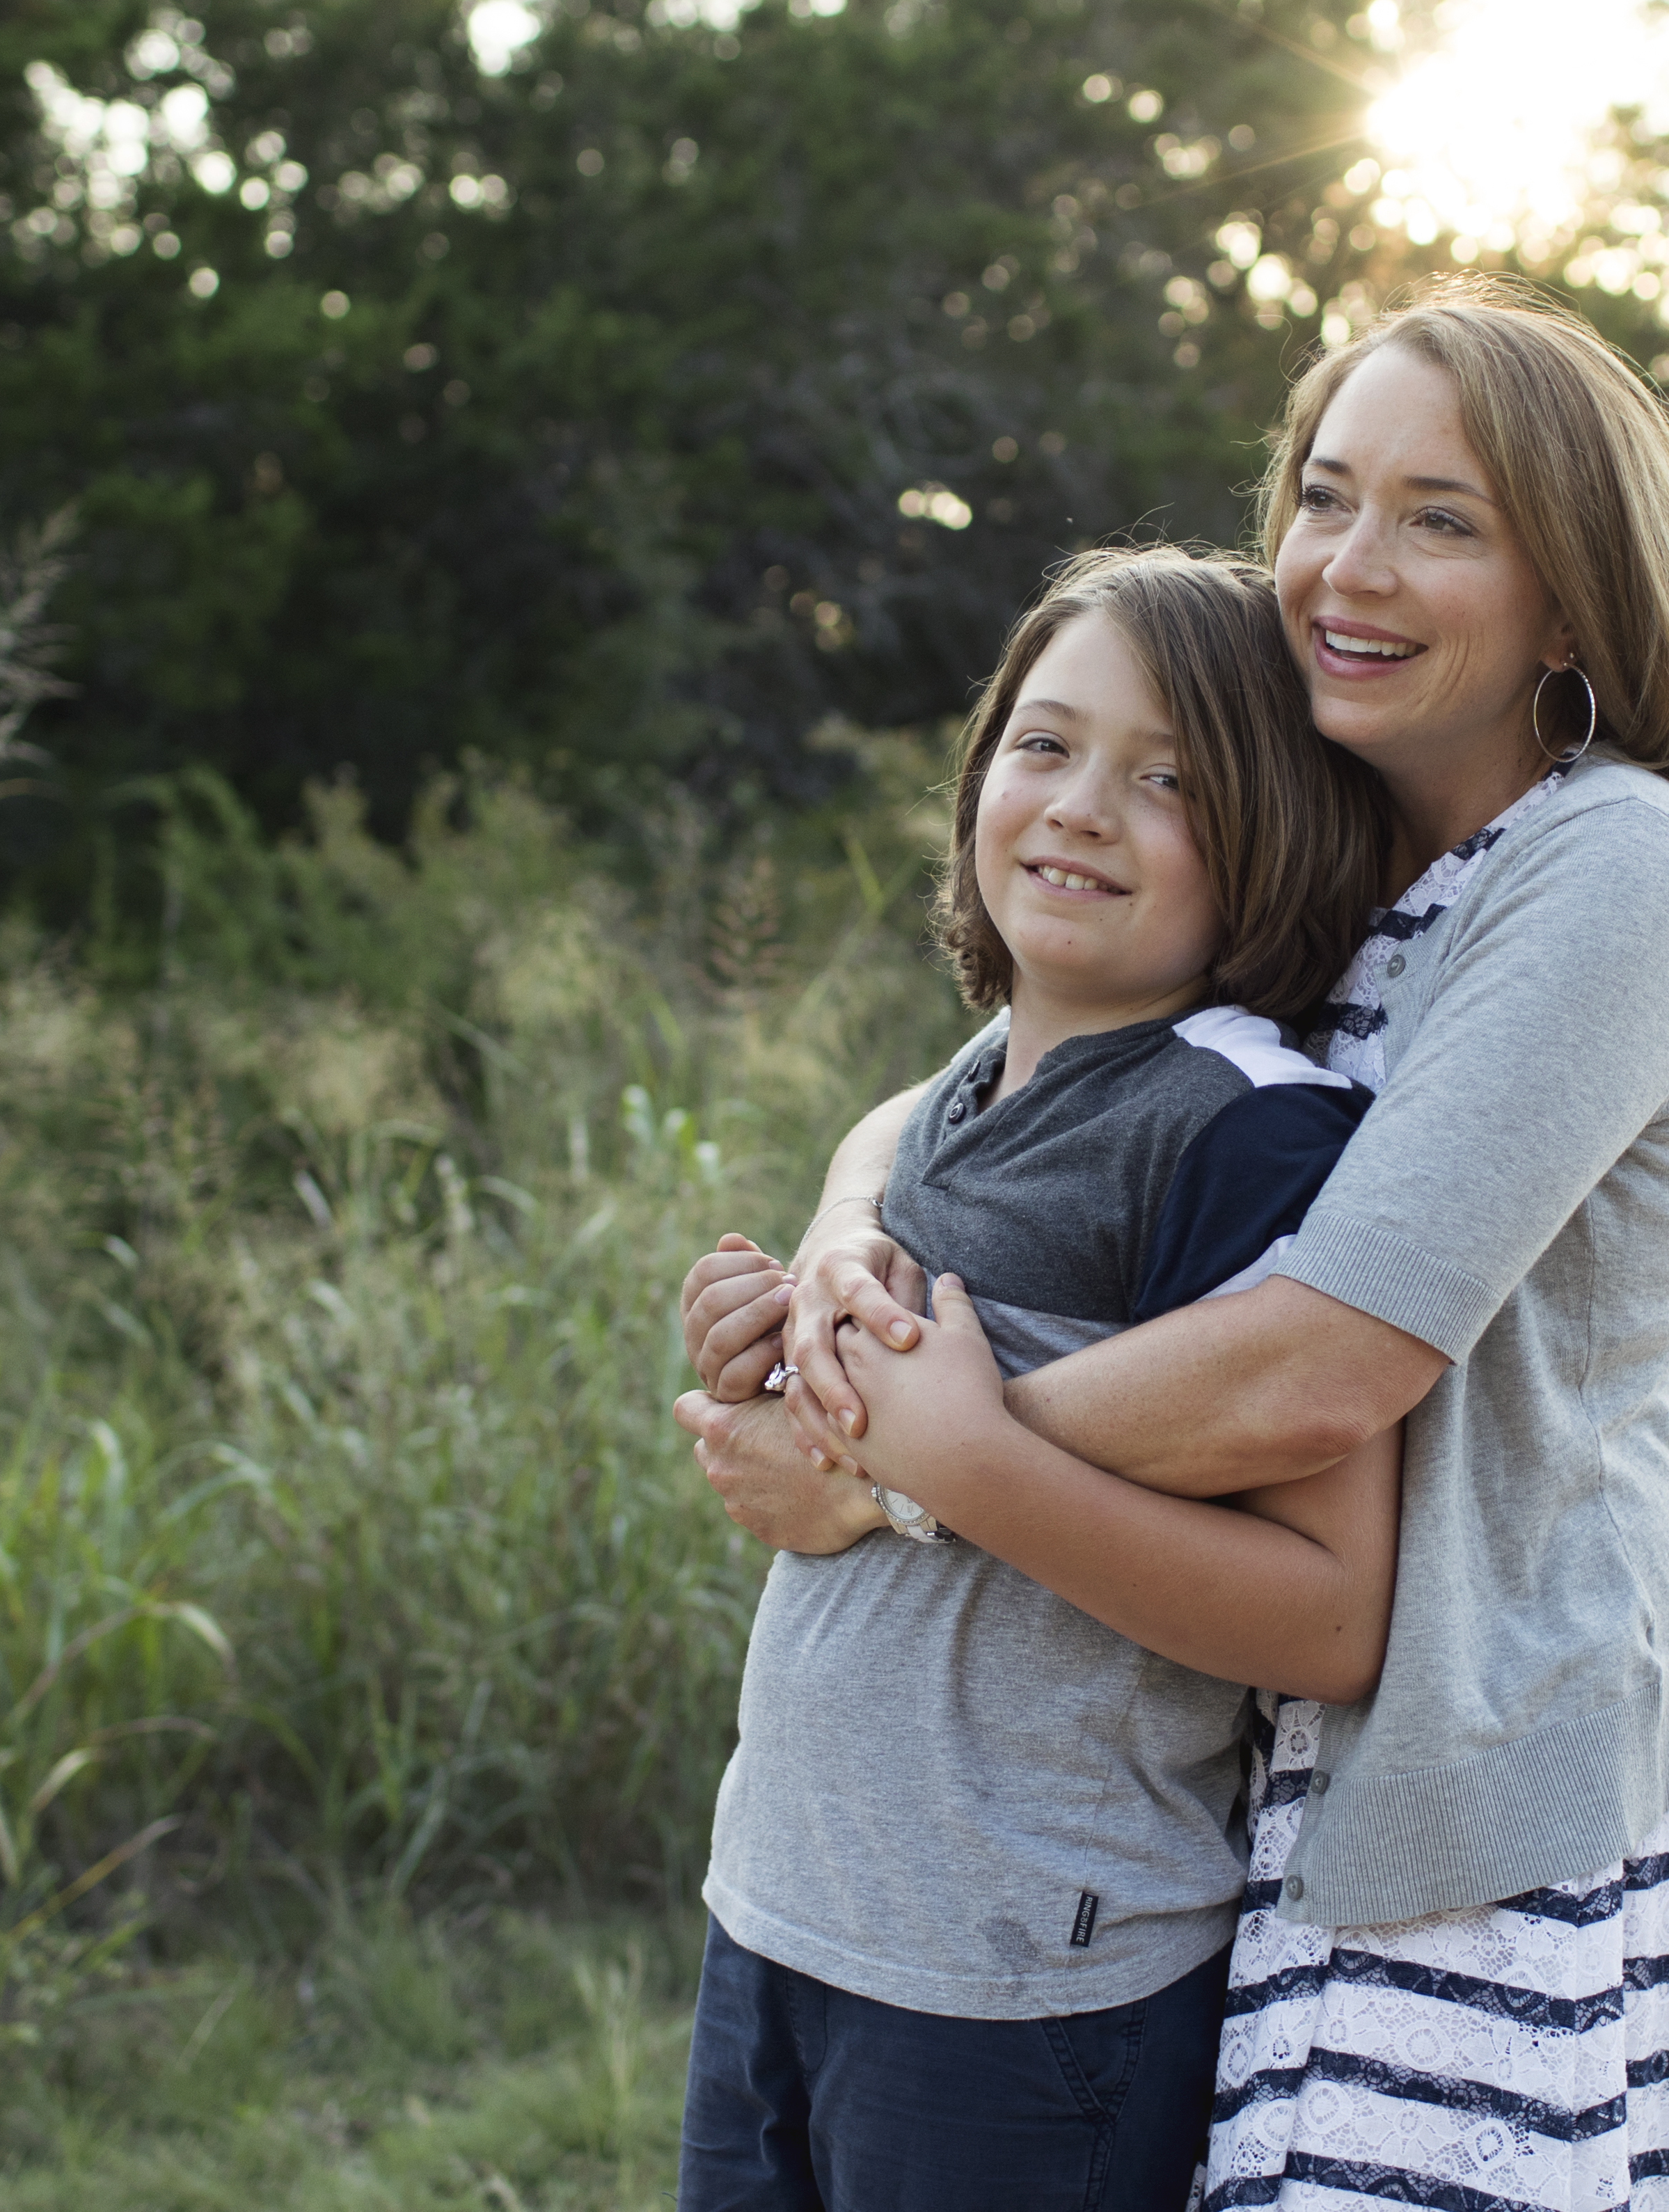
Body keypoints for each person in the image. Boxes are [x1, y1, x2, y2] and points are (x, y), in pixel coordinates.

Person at [682, 276, 1669, 2210]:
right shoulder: (1363, 851)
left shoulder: (1610, 858)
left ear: (1574, 590)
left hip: (1483, 1745)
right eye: (1321, 493)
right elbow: (977, 1087)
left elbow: (1321, 1358)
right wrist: (838, 1267)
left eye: (1439, 517)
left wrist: (896, 1466)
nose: (1345, 565)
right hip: (1283, 1764)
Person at [678, 546, 1418, 2212]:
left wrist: (950, 1465)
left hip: (1028, 1980)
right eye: (1045, 744)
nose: (1084, 805)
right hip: (788, 1912)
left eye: (1168, 779)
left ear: (1274, 835)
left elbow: (1325, 1611)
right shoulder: (958, 1089)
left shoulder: (1245, 1127)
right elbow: (881, 1469)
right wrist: (774, 1345)